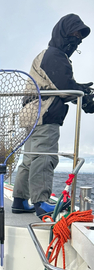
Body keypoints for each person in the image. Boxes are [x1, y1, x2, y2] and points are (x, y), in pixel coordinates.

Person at [12, 14, 94, 219]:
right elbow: (65, 87)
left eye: (79, 37)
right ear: (62, 32)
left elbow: (56, 83)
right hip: (45, 113)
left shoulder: (47, 55)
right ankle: (41, 202)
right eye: (73, 34)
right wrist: (83, 97)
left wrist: (79, 89)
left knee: (29, 159)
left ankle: (20, 200)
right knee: (44, 157)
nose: (76, 40)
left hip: (32, 113)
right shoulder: (55, 55)